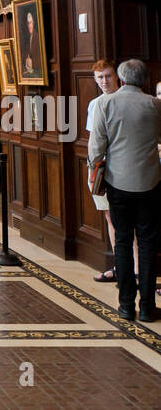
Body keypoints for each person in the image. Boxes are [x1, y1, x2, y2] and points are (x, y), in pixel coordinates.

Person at [89, 58, 161, 323]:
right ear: (144, 79)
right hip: (150, 183)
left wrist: (94, 170)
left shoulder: (105, 104)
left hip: (117, 183)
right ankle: (147, 307)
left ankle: (126, 305)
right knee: (147, 243)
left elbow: (96, 146)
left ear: (120, 78)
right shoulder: (155, 105)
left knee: (122, 240)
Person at [86, 58, 123, 283]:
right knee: (111, 220)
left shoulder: (126, 100)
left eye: (108, 76)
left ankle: (135, 270)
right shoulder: (95, 104)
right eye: (100, 77)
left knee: (127, 223)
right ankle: (120, 267)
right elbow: (93, 140)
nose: (104, 81)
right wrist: (92, 171)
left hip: (122, 168)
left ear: (117, 76)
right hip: (101, 168)